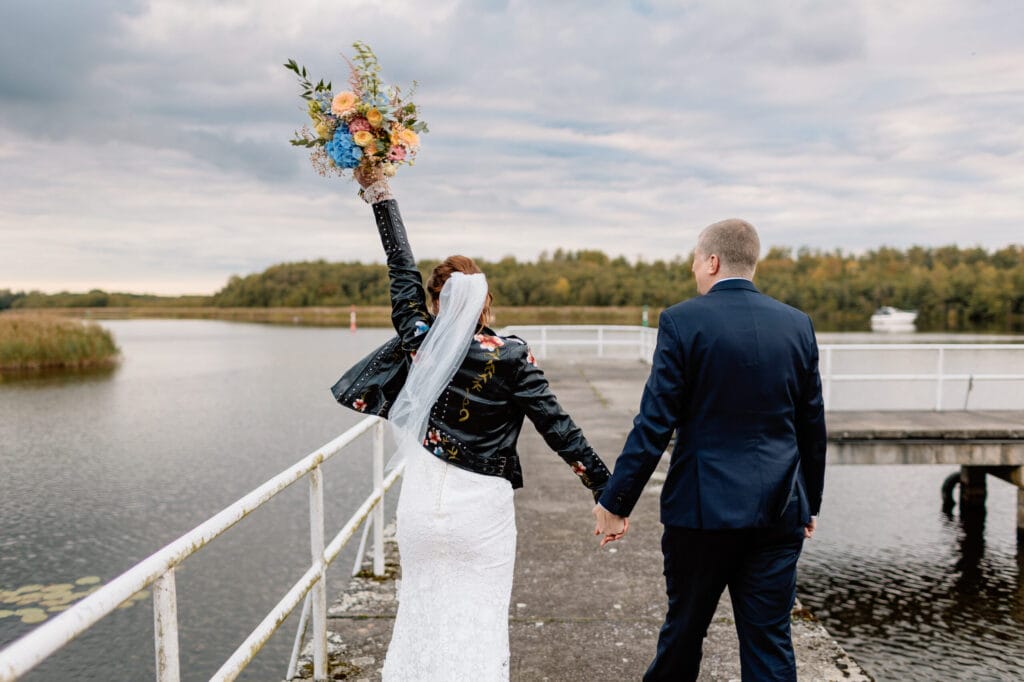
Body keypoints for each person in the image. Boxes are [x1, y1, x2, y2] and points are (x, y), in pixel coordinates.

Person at [332, 167, 610, 681]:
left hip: (420, 506)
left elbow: (400, 268)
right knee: (478, 624)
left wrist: (380, 195)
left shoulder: (418, 337)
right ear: (485, 301)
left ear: (437, 303)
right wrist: (606, 490)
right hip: (479, 513)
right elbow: (559, 428)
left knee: (420, 616)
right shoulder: (511, 356)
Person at [592, 219, 827, 681]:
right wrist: (809, 503)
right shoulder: (797, 325)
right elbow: (812, 424)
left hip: (701, 513)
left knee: (684, 634)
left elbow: (654, 423)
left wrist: (615, 501)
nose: (694, 270)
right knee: (770, 643)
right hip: (779, 511)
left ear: (713, 261)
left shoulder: (682, 321)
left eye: (696, 261)